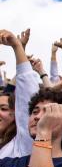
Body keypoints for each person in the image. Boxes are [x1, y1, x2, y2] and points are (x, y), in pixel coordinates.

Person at [0, 30, 39, 158]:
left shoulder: (22, 144)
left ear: (16, 114)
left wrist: (17, 46)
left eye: (3, 109)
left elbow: (28, 93)